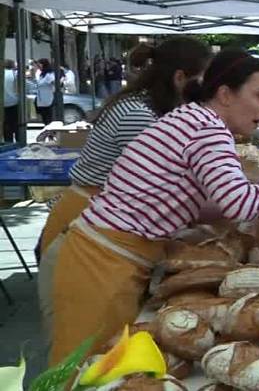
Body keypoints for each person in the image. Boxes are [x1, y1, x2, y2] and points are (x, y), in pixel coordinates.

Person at [48, 49, 259, 364]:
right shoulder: (209, 129)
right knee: (81, 372)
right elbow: (240, 206)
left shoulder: (193, 118)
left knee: (102, 369)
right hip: (101, 264)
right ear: (225, 94)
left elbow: (194, 208)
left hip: (102, 256)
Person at [37, 37, 211, 345]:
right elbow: (161, 187)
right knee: (80, 356)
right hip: (85, 228)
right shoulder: (138, 114)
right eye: (203, 82)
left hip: (99, 229)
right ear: (180, 77)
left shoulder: (150, 107)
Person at [35, 58, 55, 125]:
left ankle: (50, 133)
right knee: (45, 118)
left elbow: (53, 82)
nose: (38, 67)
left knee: (48, 118)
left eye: (39, 65)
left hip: (47, 99)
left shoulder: (49, 75)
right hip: (41, 99)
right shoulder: (41, 74)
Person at [4, 60, 19, 142]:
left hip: (3, 103)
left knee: (6, 124)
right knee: (16, 124)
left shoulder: (2, 74)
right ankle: (18, 141)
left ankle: (8, 141)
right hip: (14, 102)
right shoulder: (14, 74)